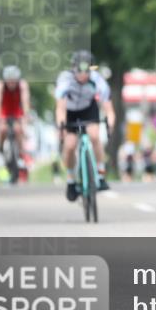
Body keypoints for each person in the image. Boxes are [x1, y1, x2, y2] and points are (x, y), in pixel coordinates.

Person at [55, 50, 116, 201]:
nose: (83, 74)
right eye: (79, 70)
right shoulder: (65, 80)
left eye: (87, 70)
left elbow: (109, 109)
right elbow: (60, 108)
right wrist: (61, 126)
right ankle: (70, 180)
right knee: (69, 146)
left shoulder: (97, 80)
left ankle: (100, 175)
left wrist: (110, 124)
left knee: (95, 136)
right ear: (73, 68)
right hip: (70, 112)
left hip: (89, 109)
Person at [0, 65, 30, 181]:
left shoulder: (22, 85)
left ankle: (20, 153)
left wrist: (26, 116)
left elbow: (25, 101)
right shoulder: (0, 86)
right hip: (4, 111)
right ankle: (0, 150)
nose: (11, 84)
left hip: (16, 112)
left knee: (19, 130)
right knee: (2, 129)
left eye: (13, 81)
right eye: (9, 81)